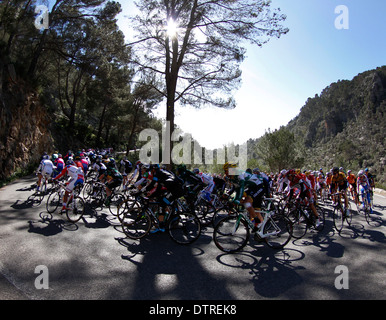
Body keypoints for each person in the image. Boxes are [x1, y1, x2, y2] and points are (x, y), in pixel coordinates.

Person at [141, 164, 185, 233]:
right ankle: (172, 216)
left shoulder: (157, 173)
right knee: (163, 200)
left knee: (162, 203)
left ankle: (161, 227)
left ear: (153, 170)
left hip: (176, 190)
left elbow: (153, 184)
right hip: (178, 189)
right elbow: (158, 189)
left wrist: (143, 191)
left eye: (151, 171)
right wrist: (151, 195)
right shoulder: (163, 172)